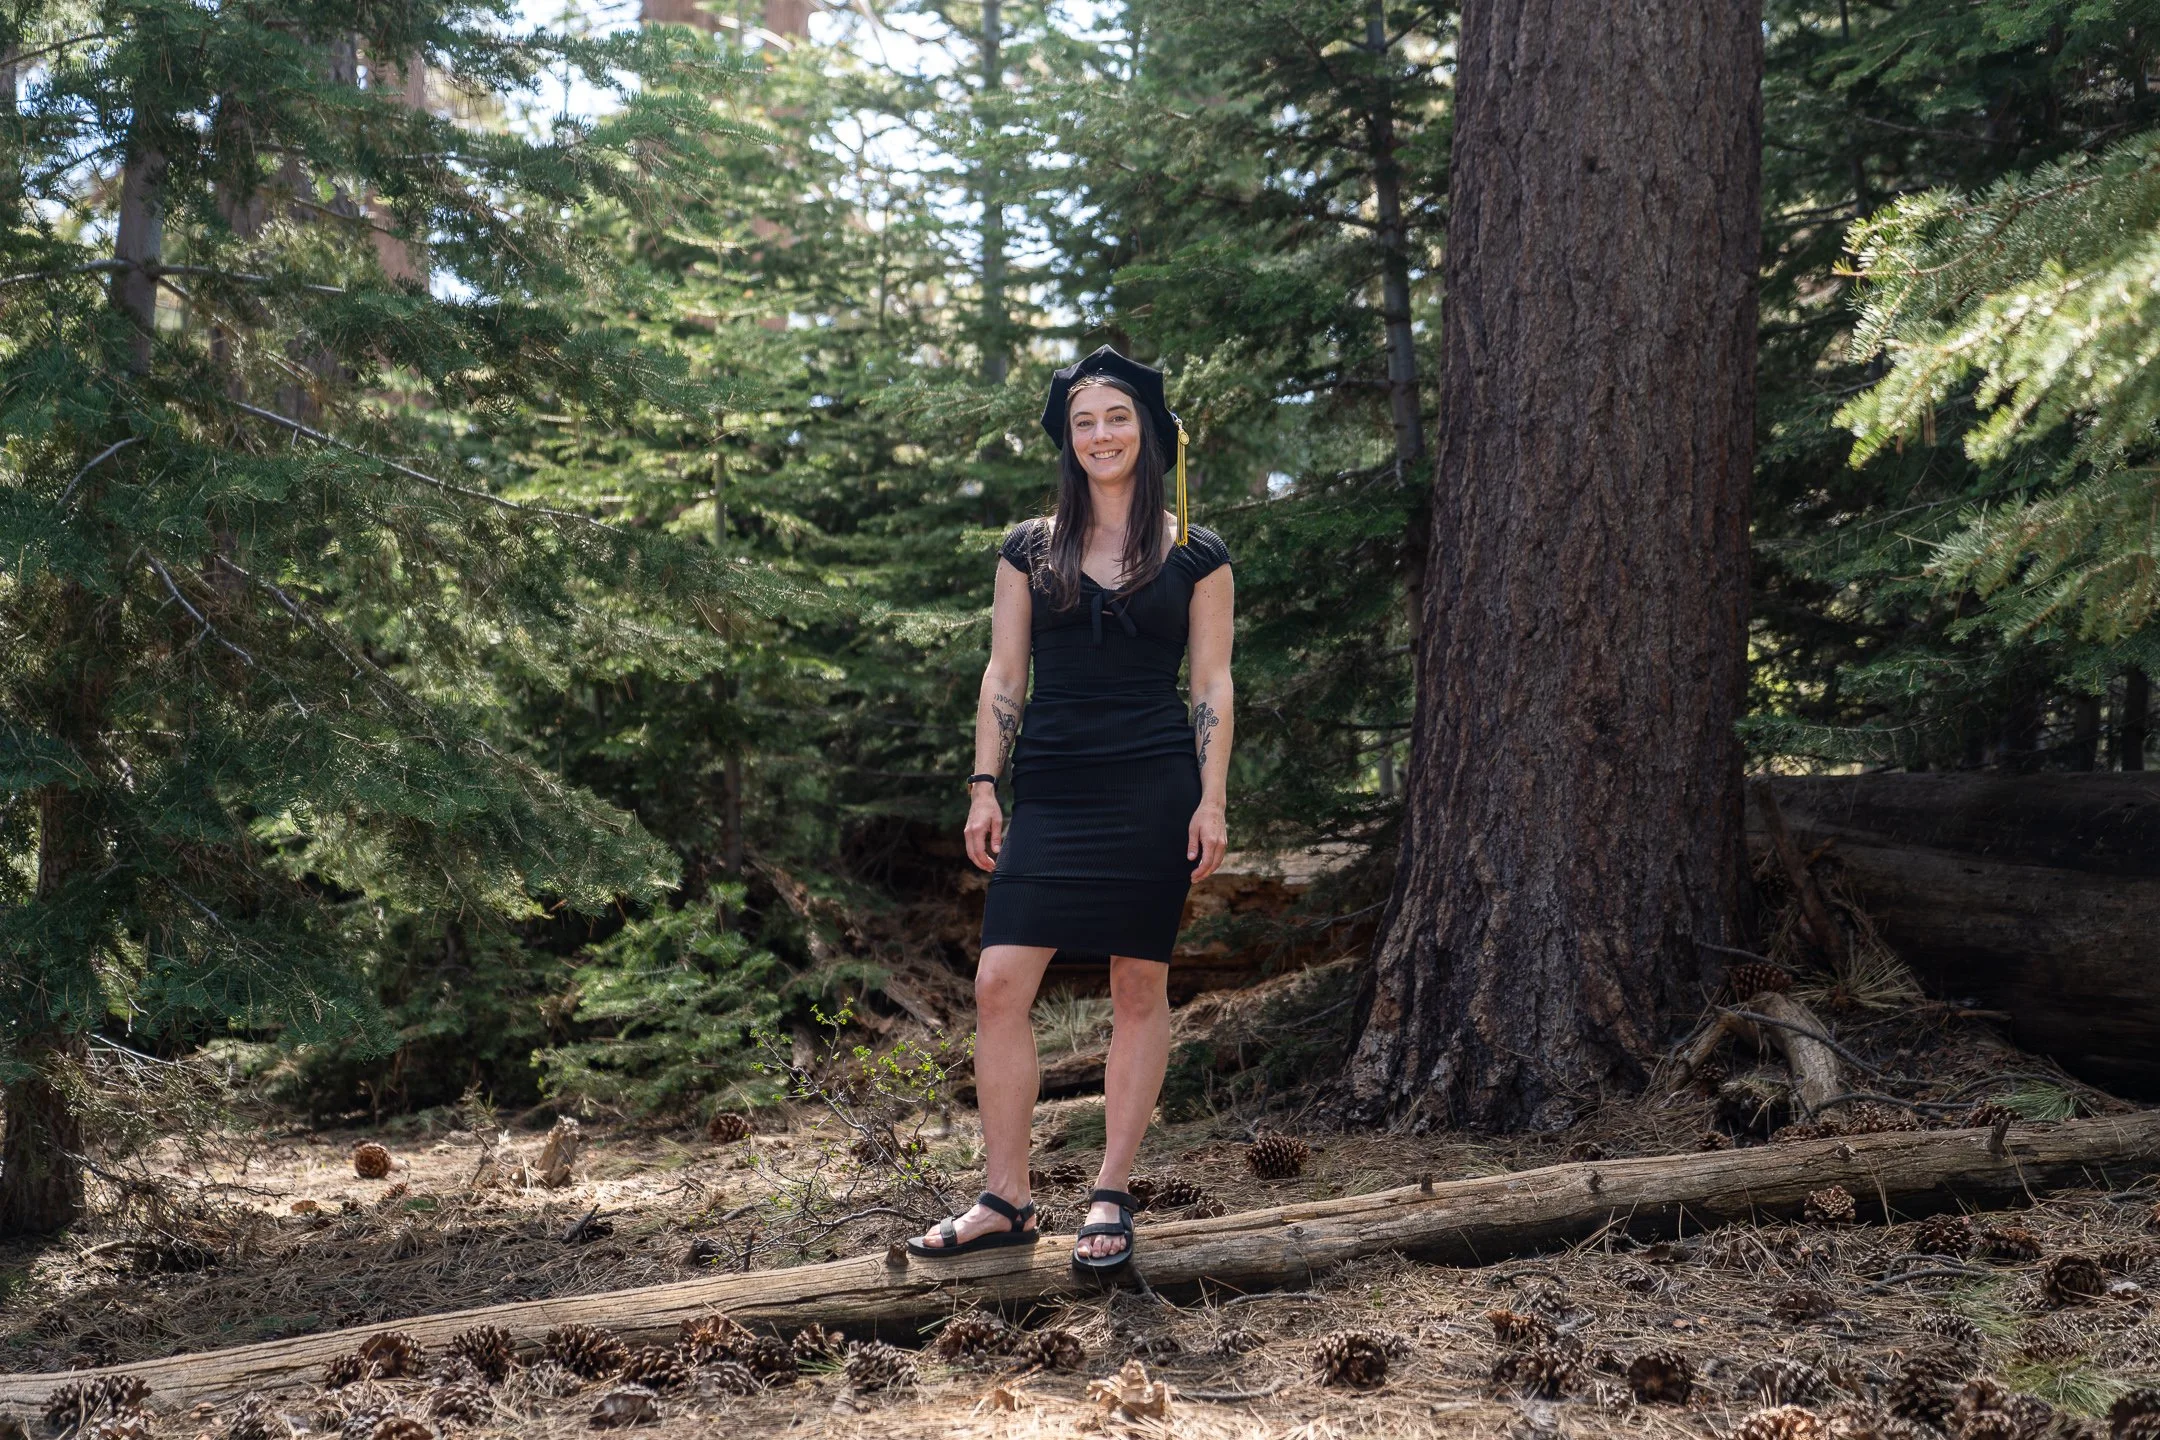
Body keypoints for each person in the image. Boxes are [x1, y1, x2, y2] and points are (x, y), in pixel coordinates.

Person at [906, 347, 1235, 1272]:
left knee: (1140, 985)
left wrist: (1211, 799)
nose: (1102, 435)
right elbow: (1004, 673)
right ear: (1067, 438)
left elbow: (1212, 682)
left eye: (1118, 418)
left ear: (1149, 432)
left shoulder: (1195, 552)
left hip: (1153, 782)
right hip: (1051, 783)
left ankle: (1110, 1193)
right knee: (999, 984)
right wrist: (983, 784)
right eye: (1085, 421)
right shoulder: (1028, 548)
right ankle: (1006, 1198)